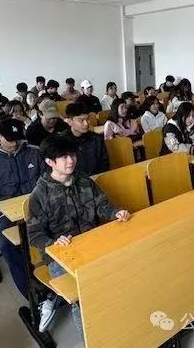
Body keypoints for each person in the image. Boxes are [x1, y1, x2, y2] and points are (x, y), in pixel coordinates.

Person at [28, 134, 131, 335]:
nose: (71, 160)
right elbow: (35, 235)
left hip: (92, 243)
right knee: (82, 296)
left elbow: (101, 205)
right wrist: (53, 242)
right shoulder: (40, 194)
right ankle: (92, 339)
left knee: (122, 272)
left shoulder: (83, 180)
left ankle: (121, 327)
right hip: (62, 255)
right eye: (64, 157)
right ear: (50, 162)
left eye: (73, 155)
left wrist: (115, 213)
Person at [0, 118, 46, 299]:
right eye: (10, 139)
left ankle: (58, 278)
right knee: (7, 244)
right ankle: (31, 294)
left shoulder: (35, 152)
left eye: (18, 139)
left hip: (41, 207)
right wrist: (7, 205)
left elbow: (48, 180)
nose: (15, 144)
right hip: (8, 214)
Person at [63, 103, 108, 176]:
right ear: (70, 121)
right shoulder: (61, 142)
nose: (86, 123)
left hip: (96, 178)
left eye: (87, 119)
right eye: (81, 120)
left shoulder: (97, 139)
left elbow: (104, 164)